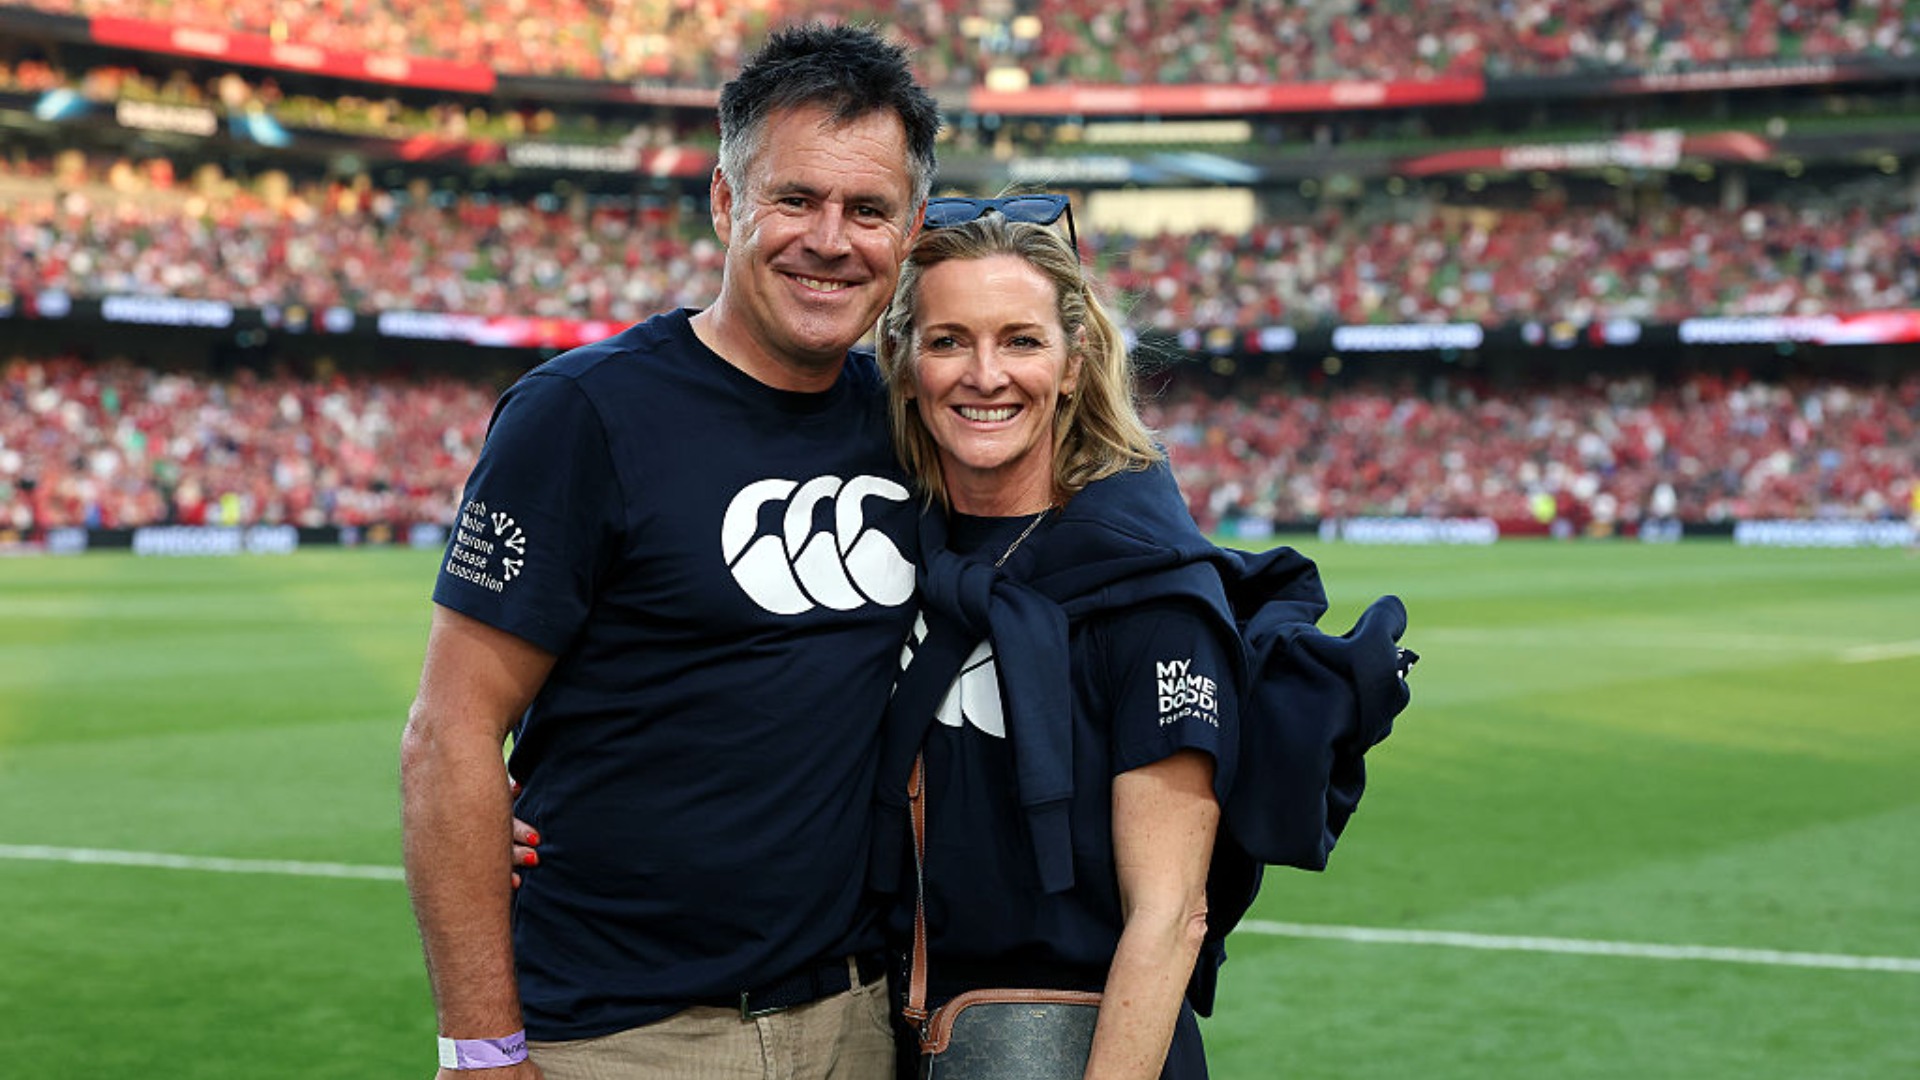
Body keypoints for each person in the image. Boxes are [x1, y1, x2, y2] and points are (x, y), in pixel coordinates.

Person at [399, 23, 940, 1080]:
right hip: (622, 1036)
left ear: (911, 231)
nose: (831, 240)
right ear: (728, 203)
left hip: (859, 1021)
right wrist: (481, 1050)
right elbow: (449, 732)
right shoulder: (583, 414)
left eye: (867, 209)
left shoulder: (911, 421)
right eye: (795, 199)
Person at [868, 204, 1241, 1079]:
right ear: (906, 362)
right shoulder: (878, 553)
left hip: (1076, 1049)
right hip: (883, 1036)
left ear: (1074, 366)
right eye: (950, 340)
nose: (985, 375)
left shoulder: (1152, 588)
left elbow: (1172, 911)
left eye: (1022, 342)